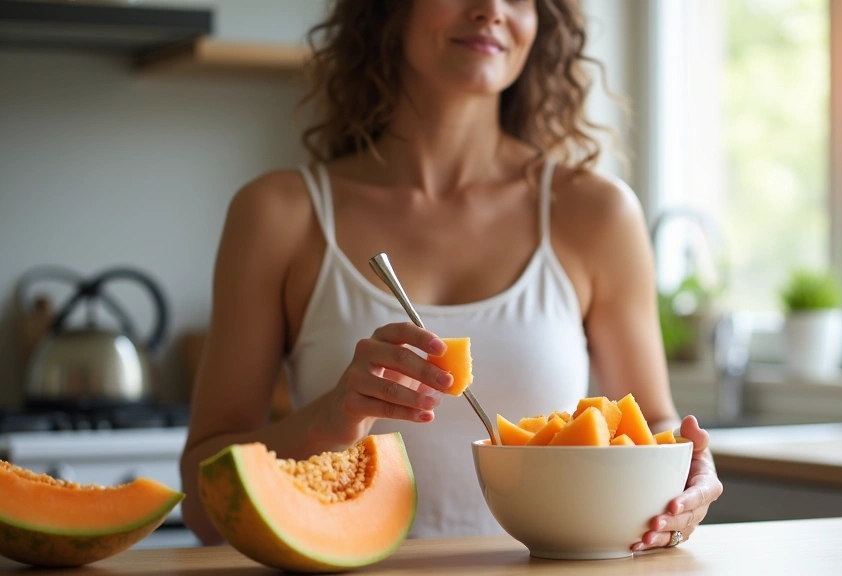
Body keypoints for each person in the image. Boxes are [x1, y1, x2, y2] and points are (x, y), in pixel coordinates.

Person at [180, 0, 723, 552]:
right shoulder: (276, 213)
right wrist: (331, 419)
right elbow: (203, 502)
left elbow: (653, 425)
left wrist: (687, 475)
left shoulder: (598, 213)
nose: (490, 10)